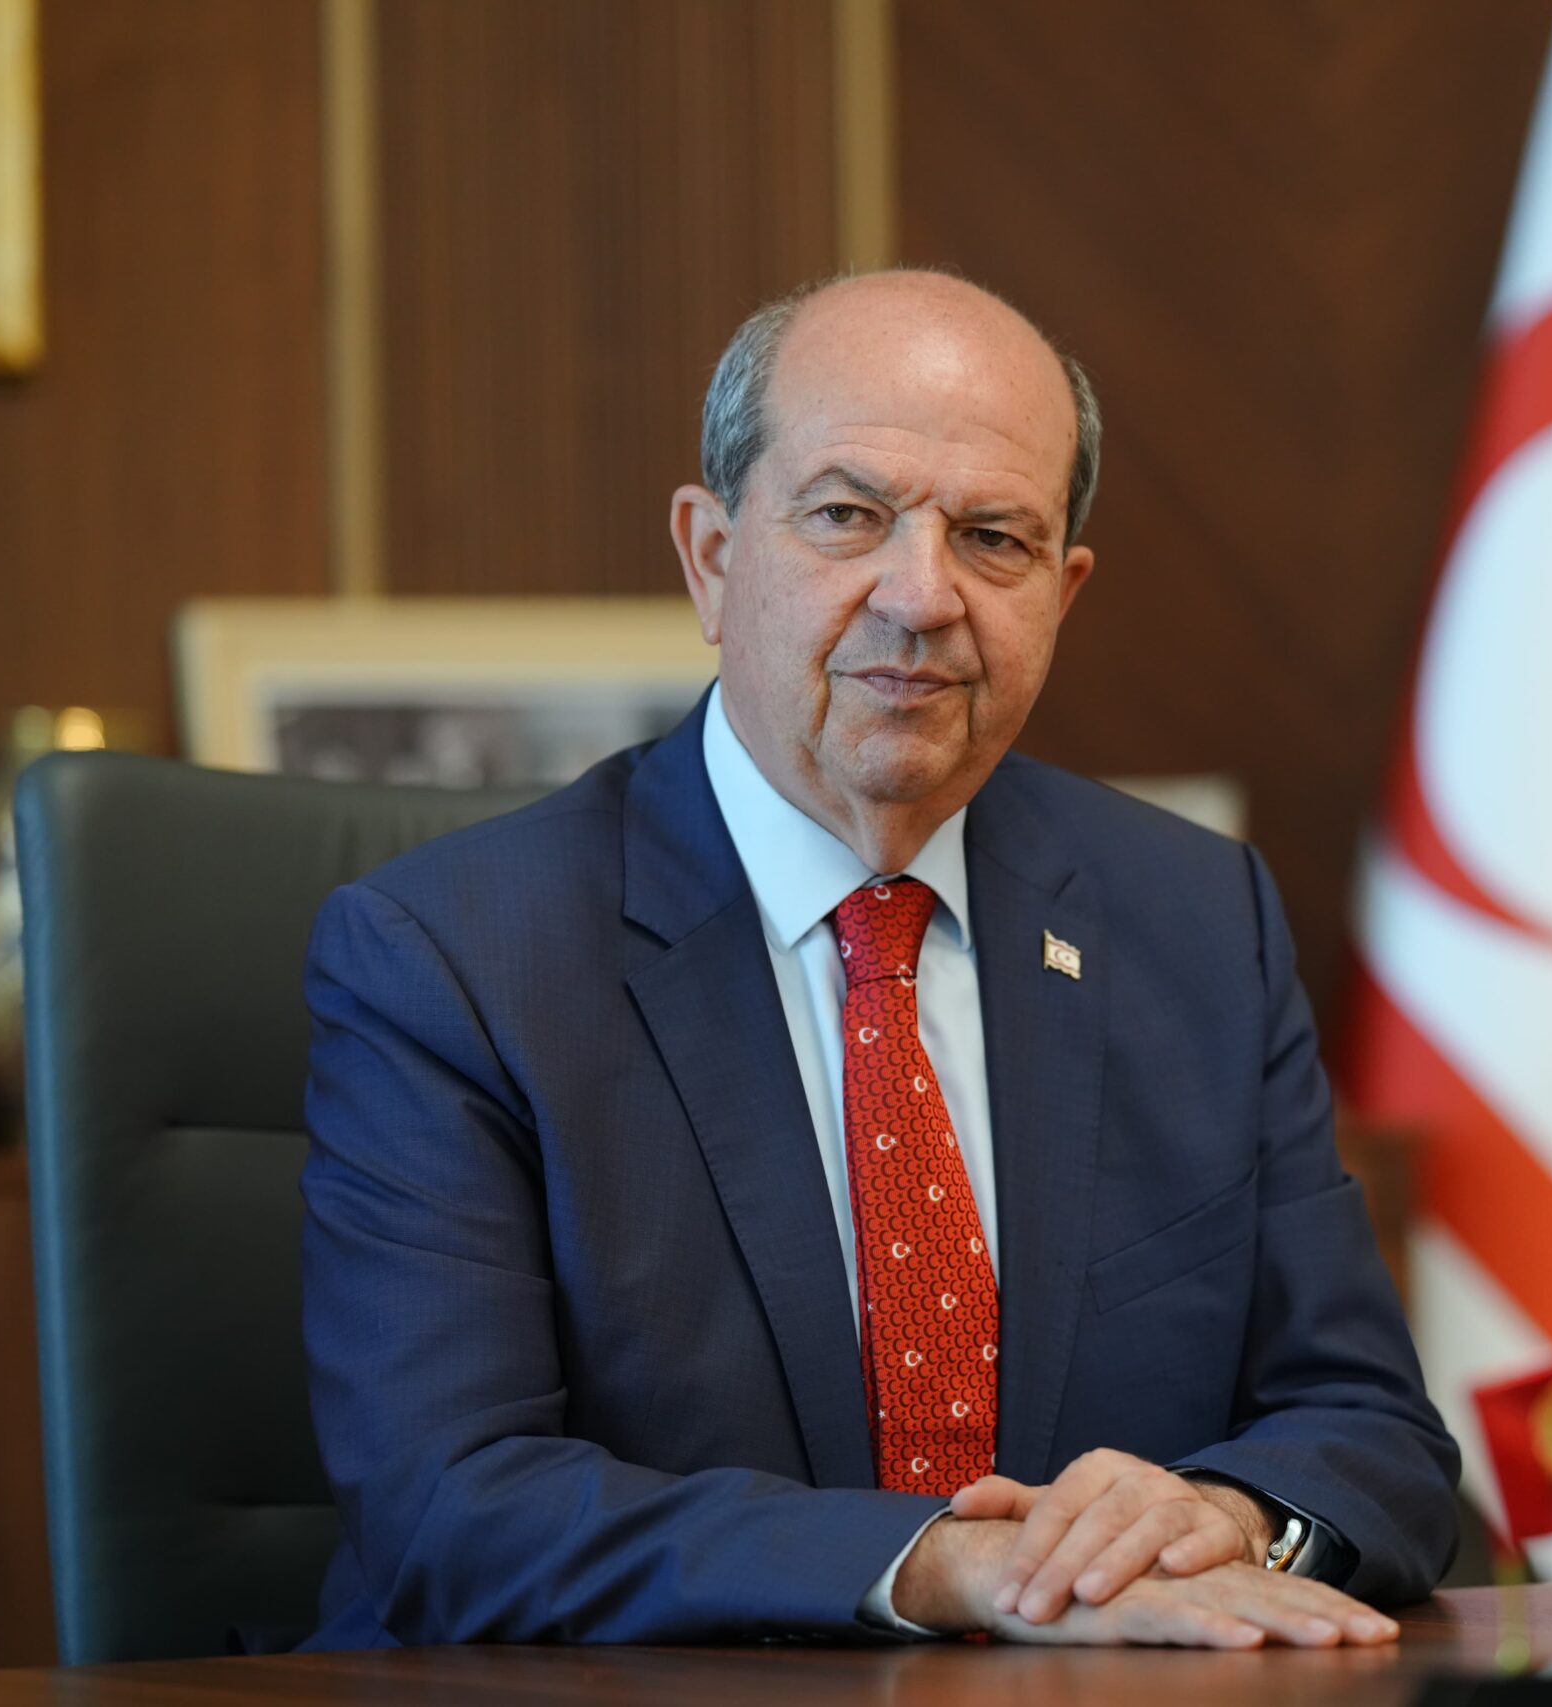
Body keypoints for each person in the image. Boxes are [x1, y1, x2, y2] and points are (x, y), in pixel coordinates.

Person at [298, 270, 1460, 1650]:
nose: (922, 597)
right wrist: (939, 1569)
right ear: (713, 559)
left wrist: (1225, 1516)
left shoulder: (1198, 920)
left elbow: (1374, 1432)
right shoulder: (455, 958)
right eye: (848, 515)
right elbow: (450, 1508)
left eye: (994, 539)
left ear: (1063, 594)